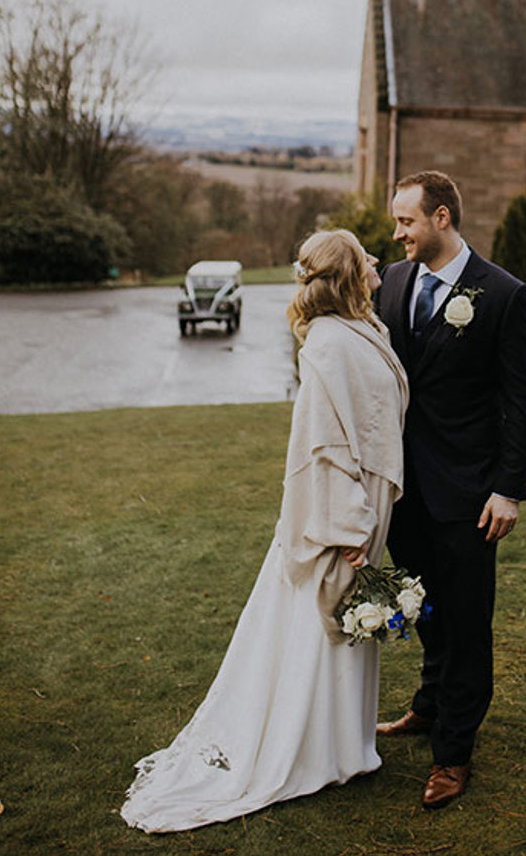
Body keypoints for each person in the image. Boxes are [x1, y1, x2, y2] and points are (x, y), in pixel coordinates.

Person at [120, 229, 408, 832]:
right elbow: (324, 450)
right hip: (337, 522)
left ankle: (344, 746)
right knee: (314, 633)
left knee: (340, 636)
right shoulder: (328, 344)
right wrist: (349, 524)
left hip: (364, 513)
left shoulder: (362, 330)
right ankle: (312, 753)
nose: (378, 259)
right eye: (365, 255)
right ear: (350, 273)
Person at [375, 170, 526, 809]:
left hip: (471, 495)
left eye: (407, 221)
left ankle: (453, 753)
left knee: (468, 622)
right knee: (424, 611)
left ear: (442, 218)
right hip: (403, 491)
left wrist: (509, 489)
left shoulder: (502, 295)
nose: (398, 234)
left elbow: (521, 402)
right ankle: (427, 703)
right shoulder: (391, 281)